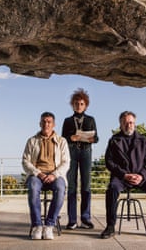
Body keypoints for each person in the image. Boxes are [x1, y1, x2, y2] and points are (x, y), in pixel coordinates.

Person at [100, 111, 146, 239]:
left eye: (131, 122)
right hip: (121, 178)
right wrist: (124, 175)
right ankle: (110, 226)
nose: (128, 125)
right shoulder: (114, 140)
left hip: (140, 177)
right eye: (125, 123)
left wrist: (142, 176)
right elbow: (109, 162)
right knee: (112, 189)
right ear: (120, 124)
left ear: (134, 124)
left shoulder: (143, 140)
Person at [22, 112, 70, 240]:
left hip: (56, 175)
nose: (46, 124)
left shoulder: (62, 141)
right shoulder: (32, 141)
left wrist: (54, 175)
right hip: (37, 175)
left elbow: (66, 162)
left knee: (60, 189)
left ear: (53, 125)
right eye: (43, 121)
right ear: (40, 123)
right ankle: (37, 226)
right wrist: (39, 173)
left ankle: (49, 226)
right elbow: (25, 161)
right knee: (32, 187)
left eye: (49, 122)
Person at [62, 88, 99, 230]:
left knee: (86, 186)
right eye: (76, 103)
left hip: (86, 152)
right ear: (73, 104)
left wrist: (92, 139)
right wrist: (70, 138)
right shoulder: (68, 121)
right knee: (71, 186)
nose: (79, 106)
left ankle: (85, 218)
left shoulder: (91, 119)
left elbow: (97, 137)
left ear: (86, 105)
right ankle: (72, 220)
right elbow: (63, 138)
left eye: (82, 103)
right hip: (71, 153)